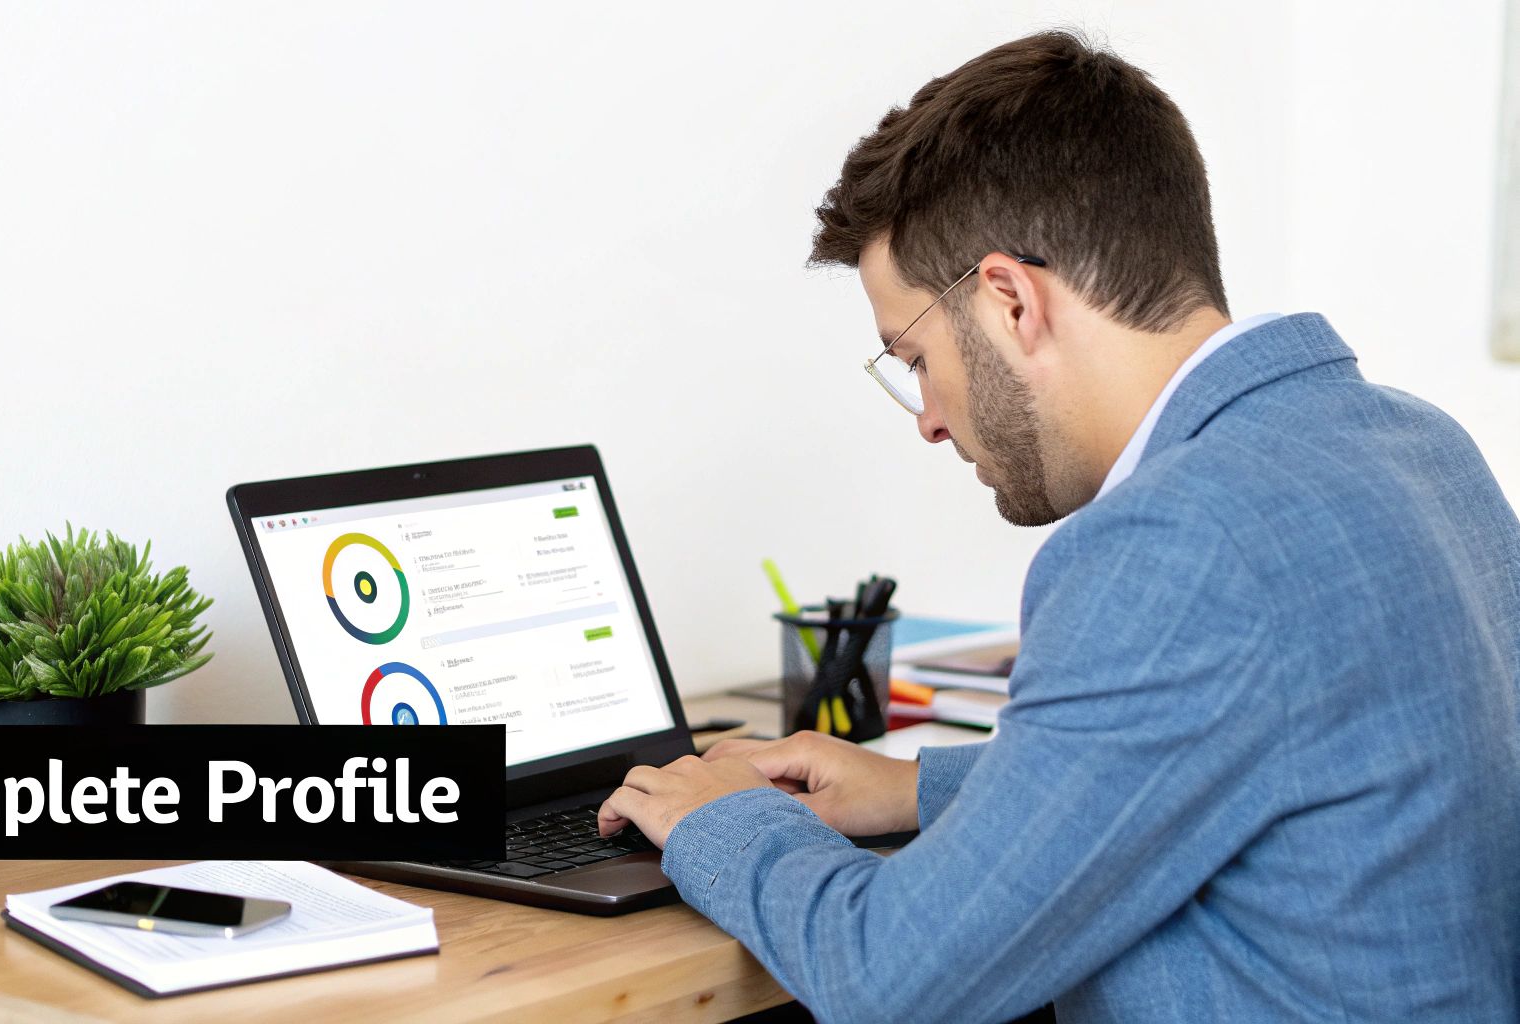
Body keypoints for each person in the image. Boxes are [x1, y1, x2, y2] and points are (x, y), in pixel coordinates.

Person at [596, 30, 1520, 1023]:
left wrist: (721, 822)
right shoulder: (1415, 446)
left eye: (910, 357)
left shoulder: (1172, 542)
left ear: (1006, 300)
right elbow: (1245, 757)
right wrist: (909, 789)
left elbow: (890, 977)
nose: (927, 419)